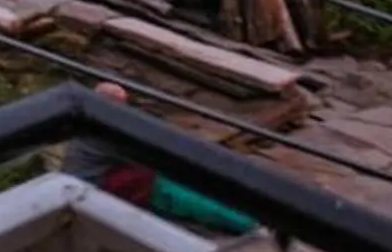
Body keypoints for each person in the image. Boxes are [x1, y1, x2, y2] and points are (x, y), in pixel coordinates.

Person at [63, 83, 257, 235]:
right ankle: (246, 222)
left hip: (97, 177)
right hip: (96, 189)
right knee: (172, 190)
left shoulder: (87, 122)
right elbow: (145, 153)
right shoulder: (103, 132)